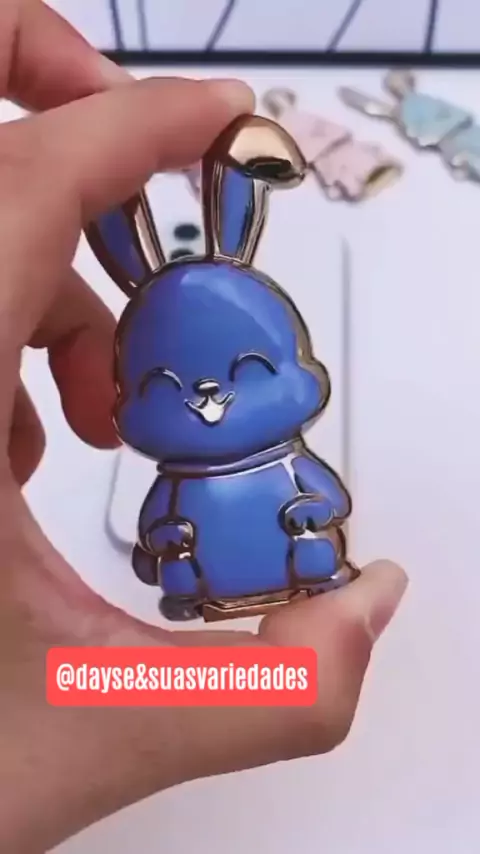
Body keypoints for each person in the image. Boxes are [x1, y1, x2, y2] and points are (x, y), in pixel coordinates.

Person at [0, 3, 408, 852]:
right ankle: (204, 587)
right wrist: (164, 543)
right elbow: (160, 524)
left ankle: (296, 569)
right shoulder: (178, 474)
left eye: (251, 375)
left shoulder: (283, 458)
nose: (212, 401)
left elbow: (321, 494)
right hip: (205, 581)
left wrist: (312, 513)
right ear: (130, 402)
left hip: (294, 553)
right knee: (186, 561)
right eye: (166, 387)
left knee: (306, 549)